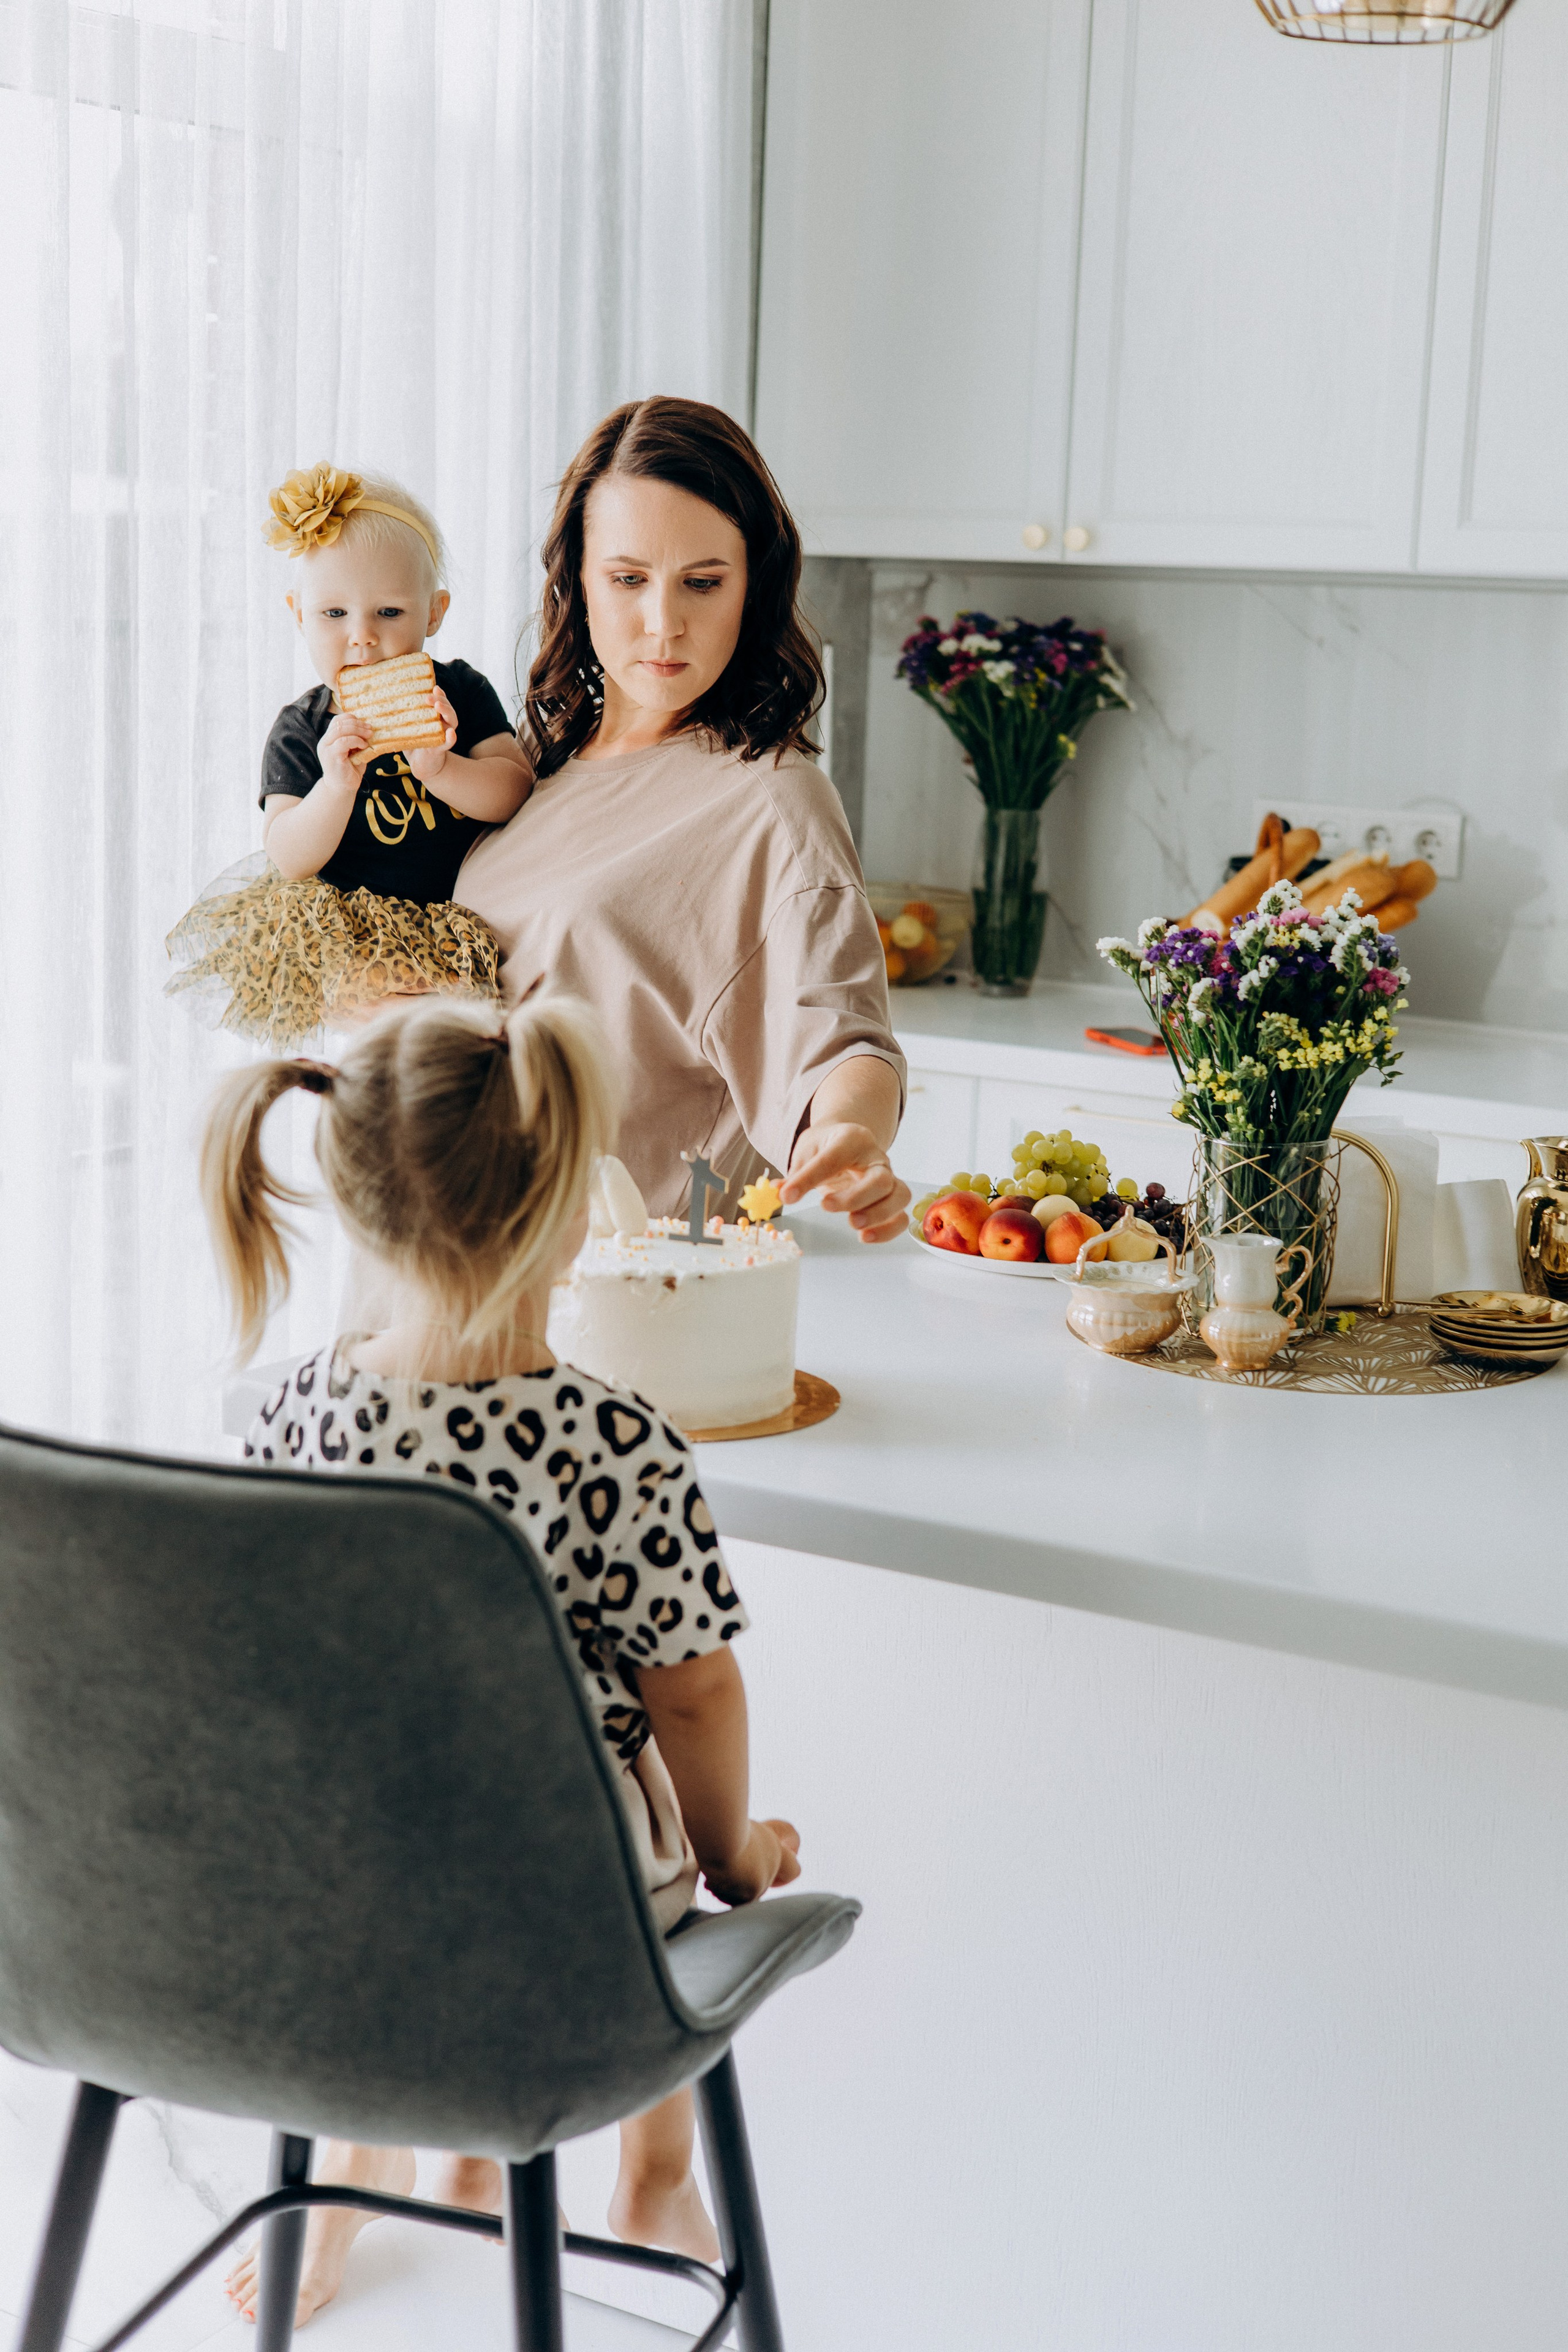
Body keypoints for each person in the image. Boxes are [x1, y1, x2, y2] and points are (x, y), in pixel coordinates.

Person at [202, 991, 799, 2328]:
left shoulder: (293, 1410)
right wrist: (737, 1851)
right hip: (559, 1913)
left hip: (336, 1893)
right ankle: (648, 2173)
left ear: (353, 1209)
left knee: (409, 1803)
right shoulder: (620, 1442)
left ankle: (368, 2154)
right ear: (571, 1217)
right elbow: (692, 1688)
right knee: (663, 1847)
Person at [456, 396, 911, 1242]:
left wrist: (853, 1133)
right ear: (579, 582)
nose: (664, 623)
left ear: (753, 586)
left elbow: (839, 1025)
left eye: (703, 583)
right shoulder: (526, 768)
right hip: (463, 1240)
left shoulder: (771, 799)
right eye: (628, 579)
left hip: (627, 1283)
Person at [166, 464, 531, 1050]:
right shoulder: (303, 729)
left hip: (460, 921)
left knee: (460, 1062)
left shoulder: (458, 692)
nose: (362, 637)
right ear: (299, 614)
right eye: (334, 615)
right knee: (390, 1062)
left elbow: (514, 790)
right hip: (356, 936)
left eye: (390, 613)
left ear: (434, 612)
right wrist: (335, 788)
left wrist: (443, 768)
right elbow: (287, 855)